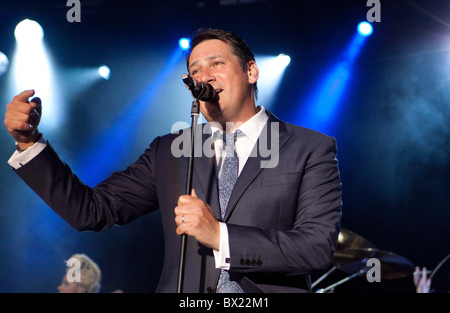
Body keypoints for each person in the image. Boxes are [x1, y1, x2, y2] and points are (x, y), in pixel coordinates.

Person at [4, 28, 342, 293]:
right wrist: (29, 142)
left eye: (217, 64)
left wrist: (220, 236)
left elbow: (315, 248)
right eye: (195, 70)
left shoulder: (308, 148)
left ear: (251, 71)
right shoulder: (171, 151)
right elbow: (91, 210)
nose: (203, 76)